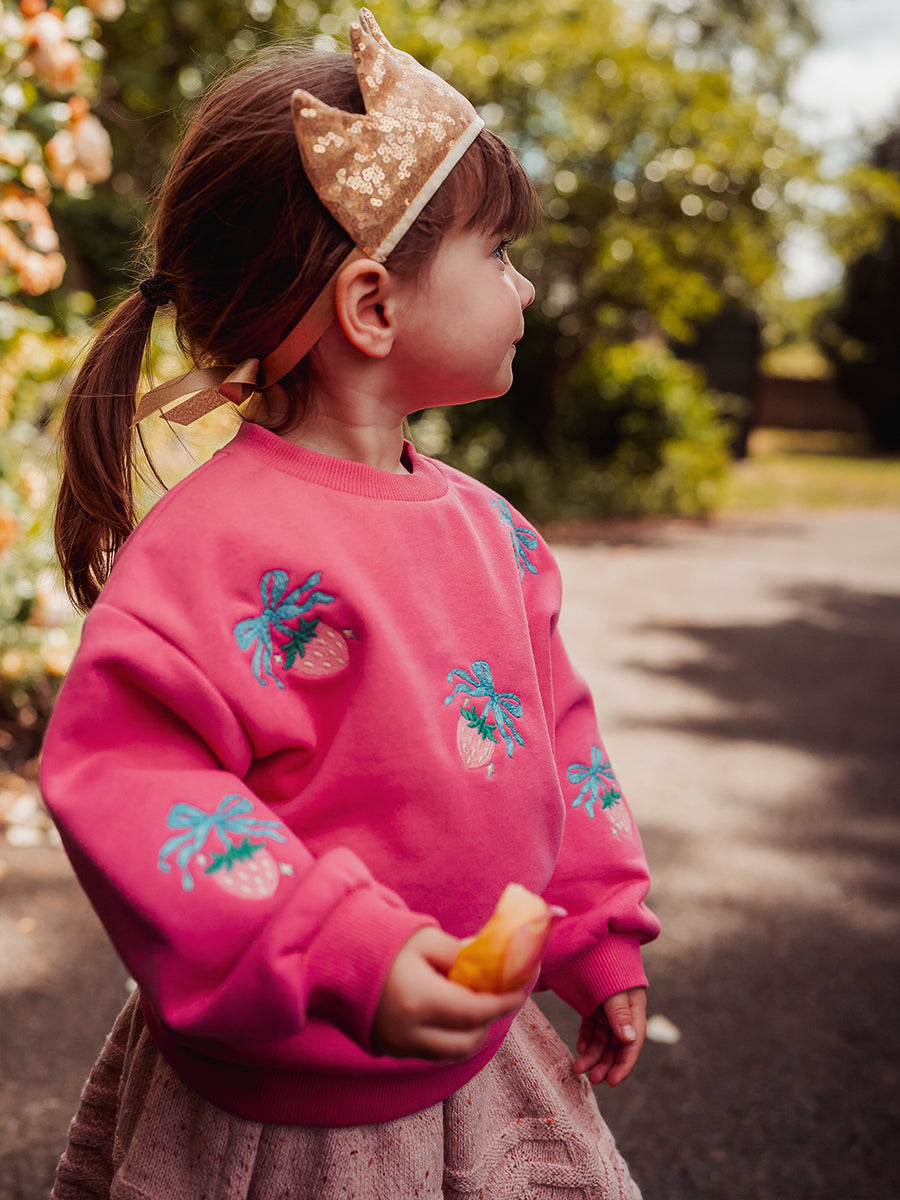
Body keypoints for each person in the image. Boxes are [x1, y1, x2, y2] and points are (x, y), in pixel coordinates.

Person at [41, 11, 660, 1198]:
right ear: (372, 305)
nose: (526, 284)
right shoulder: (212, 551)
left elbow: (562, 745)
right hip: (290, 1105)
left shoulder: (497, 535)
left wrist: (596, 932)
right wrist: (343, 954)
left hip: (478, 1062)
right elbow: (137, 782)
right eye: (499, 253)